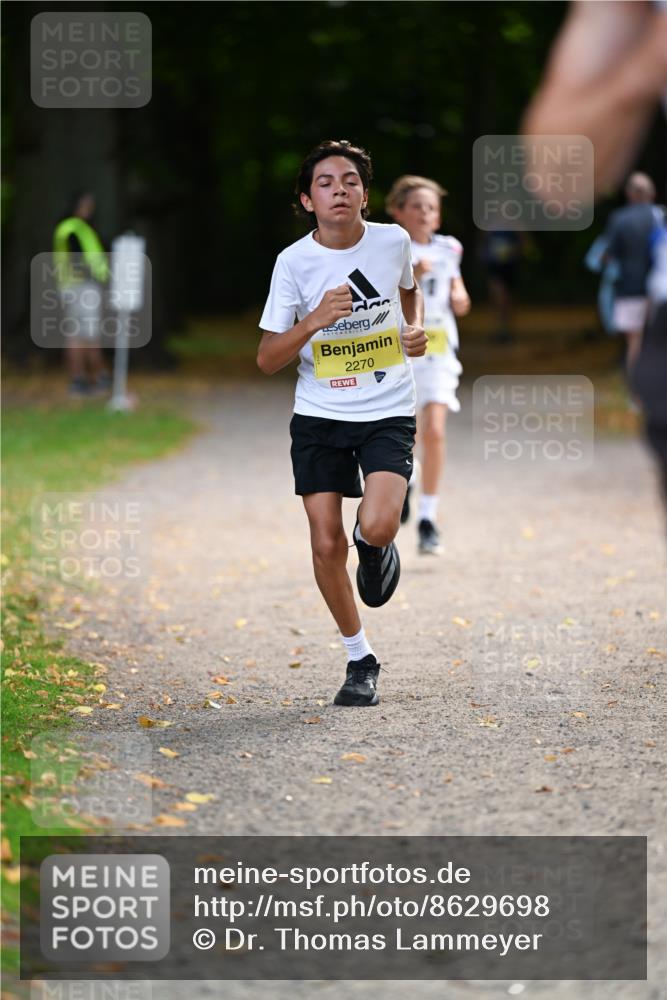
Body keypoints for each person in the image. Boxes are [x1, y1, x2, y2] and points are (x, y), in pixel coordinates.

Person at [257, 140, 426, 707]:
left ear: (365, 194)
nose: (339, 190)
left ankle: (374, 545)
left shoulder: (392, 240)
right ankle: (361, 659)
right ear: (307, 200)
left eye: (350, 180)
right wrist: (314, 322)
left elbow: (409, 289)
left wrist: (414, 328)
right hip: (320, 416)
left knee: (376, 526)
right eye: (326, 183)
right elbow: (267, 358)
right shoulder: (293, 262)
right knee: (325, 542)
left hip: (386, 407)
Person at [385, 175, 471, 555]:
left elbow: (458, 291)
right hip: (399, 350)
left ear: (438, 217)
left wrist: (460, 297)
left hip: (438, 351)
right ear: (399, 212)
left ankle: (428, 519)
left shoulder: (450, 248)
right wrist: (409, 279)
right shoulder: (388, 249)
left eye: (431, 207)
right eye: (416, 206)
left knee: (434, 431)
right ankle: (408, 480)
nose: (424, 213)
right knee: (409, 435)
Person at [603, 172, 664, 372]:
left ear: (629, 193)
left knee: (634, 340)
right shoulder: (659, 216)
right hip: (659, 288)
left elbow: (608, 256)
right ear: (651, 193)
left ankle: (636, 391)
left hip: (630, 286)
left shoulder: (619, 219)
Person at [53, 191, 111, 398]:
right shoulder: (75, 229)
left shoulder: (68, 228)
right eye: (86, 205)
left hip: (70, 288)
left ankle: (80, 379)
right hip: (82, 288)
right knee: (89, 334)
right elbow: (84, 260)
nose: (89, 210)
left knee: (76, 333)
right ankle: (98, 376)